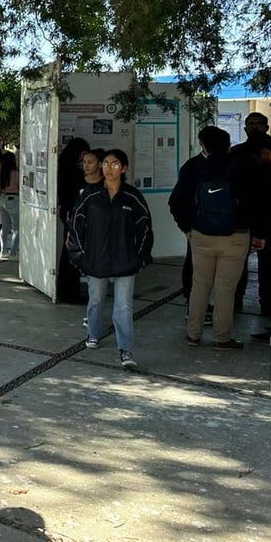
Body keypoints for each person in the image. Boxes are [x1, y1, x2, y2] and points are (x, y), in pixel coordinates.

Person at [168, 126, 262, 350]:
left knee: (200, 285)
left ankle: (193, 334)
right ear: (228, 143)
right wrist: (257, 233)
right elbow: (256, 202)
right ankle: (222, 337)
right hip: (236, 236)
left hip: (201, 235)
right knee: (226, 288)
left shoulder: (193, 167)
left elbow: (176, 202)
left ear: (202, 145)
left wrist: (187, 228)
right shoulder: (243, 166)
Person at [67, 149, 153, 370]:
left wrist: (141, 257)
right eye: (105, 163)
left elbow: (145, 227)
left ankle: (125, 349)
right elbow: (75, 226)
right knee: (96, 300)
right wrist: (79, 256)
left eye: (114, 164)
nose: (108, 167)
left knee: (123, 306)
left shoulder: (133, 197)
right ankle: (93, 332)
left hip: (126, 261)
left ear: (123, 168)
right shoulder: (90, 195)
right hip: (96, 260)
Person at [230, 112, 271, 313]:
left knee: (270, 265)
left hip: (270, 216)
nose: (254, 127)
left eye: (258, 123)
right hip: (242, 216)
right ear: (245, 129)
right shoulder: (236, 152)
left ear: (267, 127)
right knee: (237, 264)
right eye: (250, 124)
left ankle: (269, 306)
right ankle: (236, 302)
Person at [247, 134, 271, 342]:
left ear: (265, 153)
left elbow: (266, 208)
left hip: (270, 236)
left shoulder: (270, 173)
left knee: (269, 277)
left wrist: (260, 235)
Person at [56, 137, 91, 304]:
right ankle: (69, 292)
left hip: (68, 208)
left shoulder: (64, 164)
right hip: (70, 209)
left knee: (69, 250)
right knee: (71, 251)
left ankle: (67, 290)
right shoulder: (69, 168)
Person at [0, 151, 20, 259]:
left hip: (3, 198)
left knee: (4, 227)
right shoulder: (16, 173)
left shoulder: (1, 173)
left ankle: (3, 250)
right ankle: (13, 252)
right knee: (16, 228)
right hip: (14, 198)